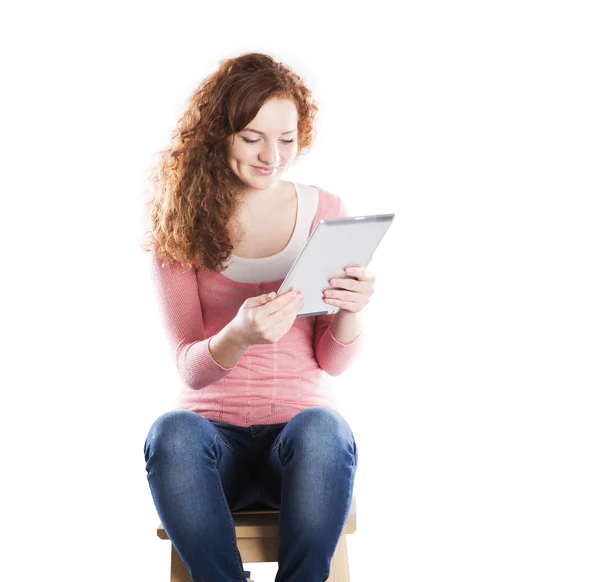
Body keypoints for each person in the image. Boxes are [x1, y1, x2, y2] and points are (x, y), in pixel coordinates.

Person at [141, 52, 377, 582]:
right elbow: (190, 366)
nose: (273, 155)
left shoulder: (326, 210)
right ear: (219, 133)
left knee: (324, 429)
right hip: (211, 448)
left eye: (287, 139)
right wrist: (240, 335)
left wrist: (350, 313)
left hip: (299, 447)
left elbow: (331, 362)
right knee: (171, 434)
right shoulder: (178, 222)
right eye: (253, 138)